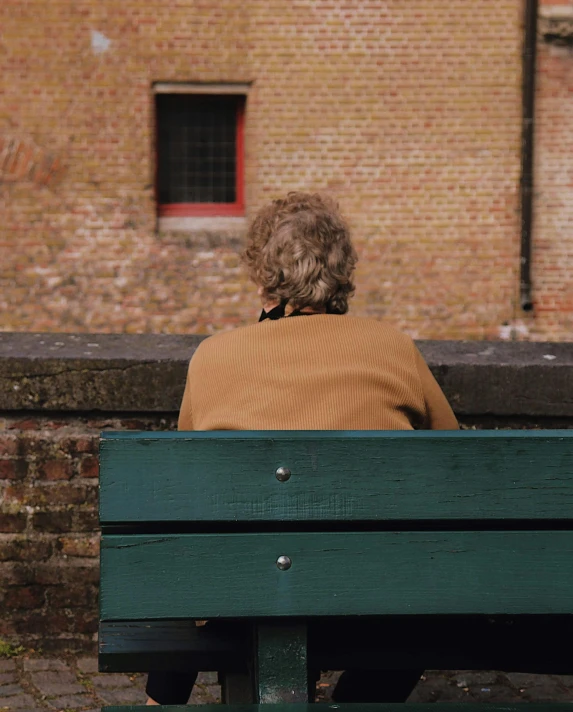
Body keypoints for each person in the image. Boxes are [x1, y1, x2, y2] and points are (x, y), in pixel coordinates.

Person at [146, 191, 458, 705]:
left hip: (244, 597)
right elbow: (453, 465)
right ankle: (356, 700)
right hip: (375, 597)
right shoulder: (394, 348)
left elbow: (188, 487)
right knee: (421, 593)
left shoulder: (213, 356)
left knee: (200, 559)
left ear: (264, 273)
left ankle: (165, 699)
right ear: (341, 272)